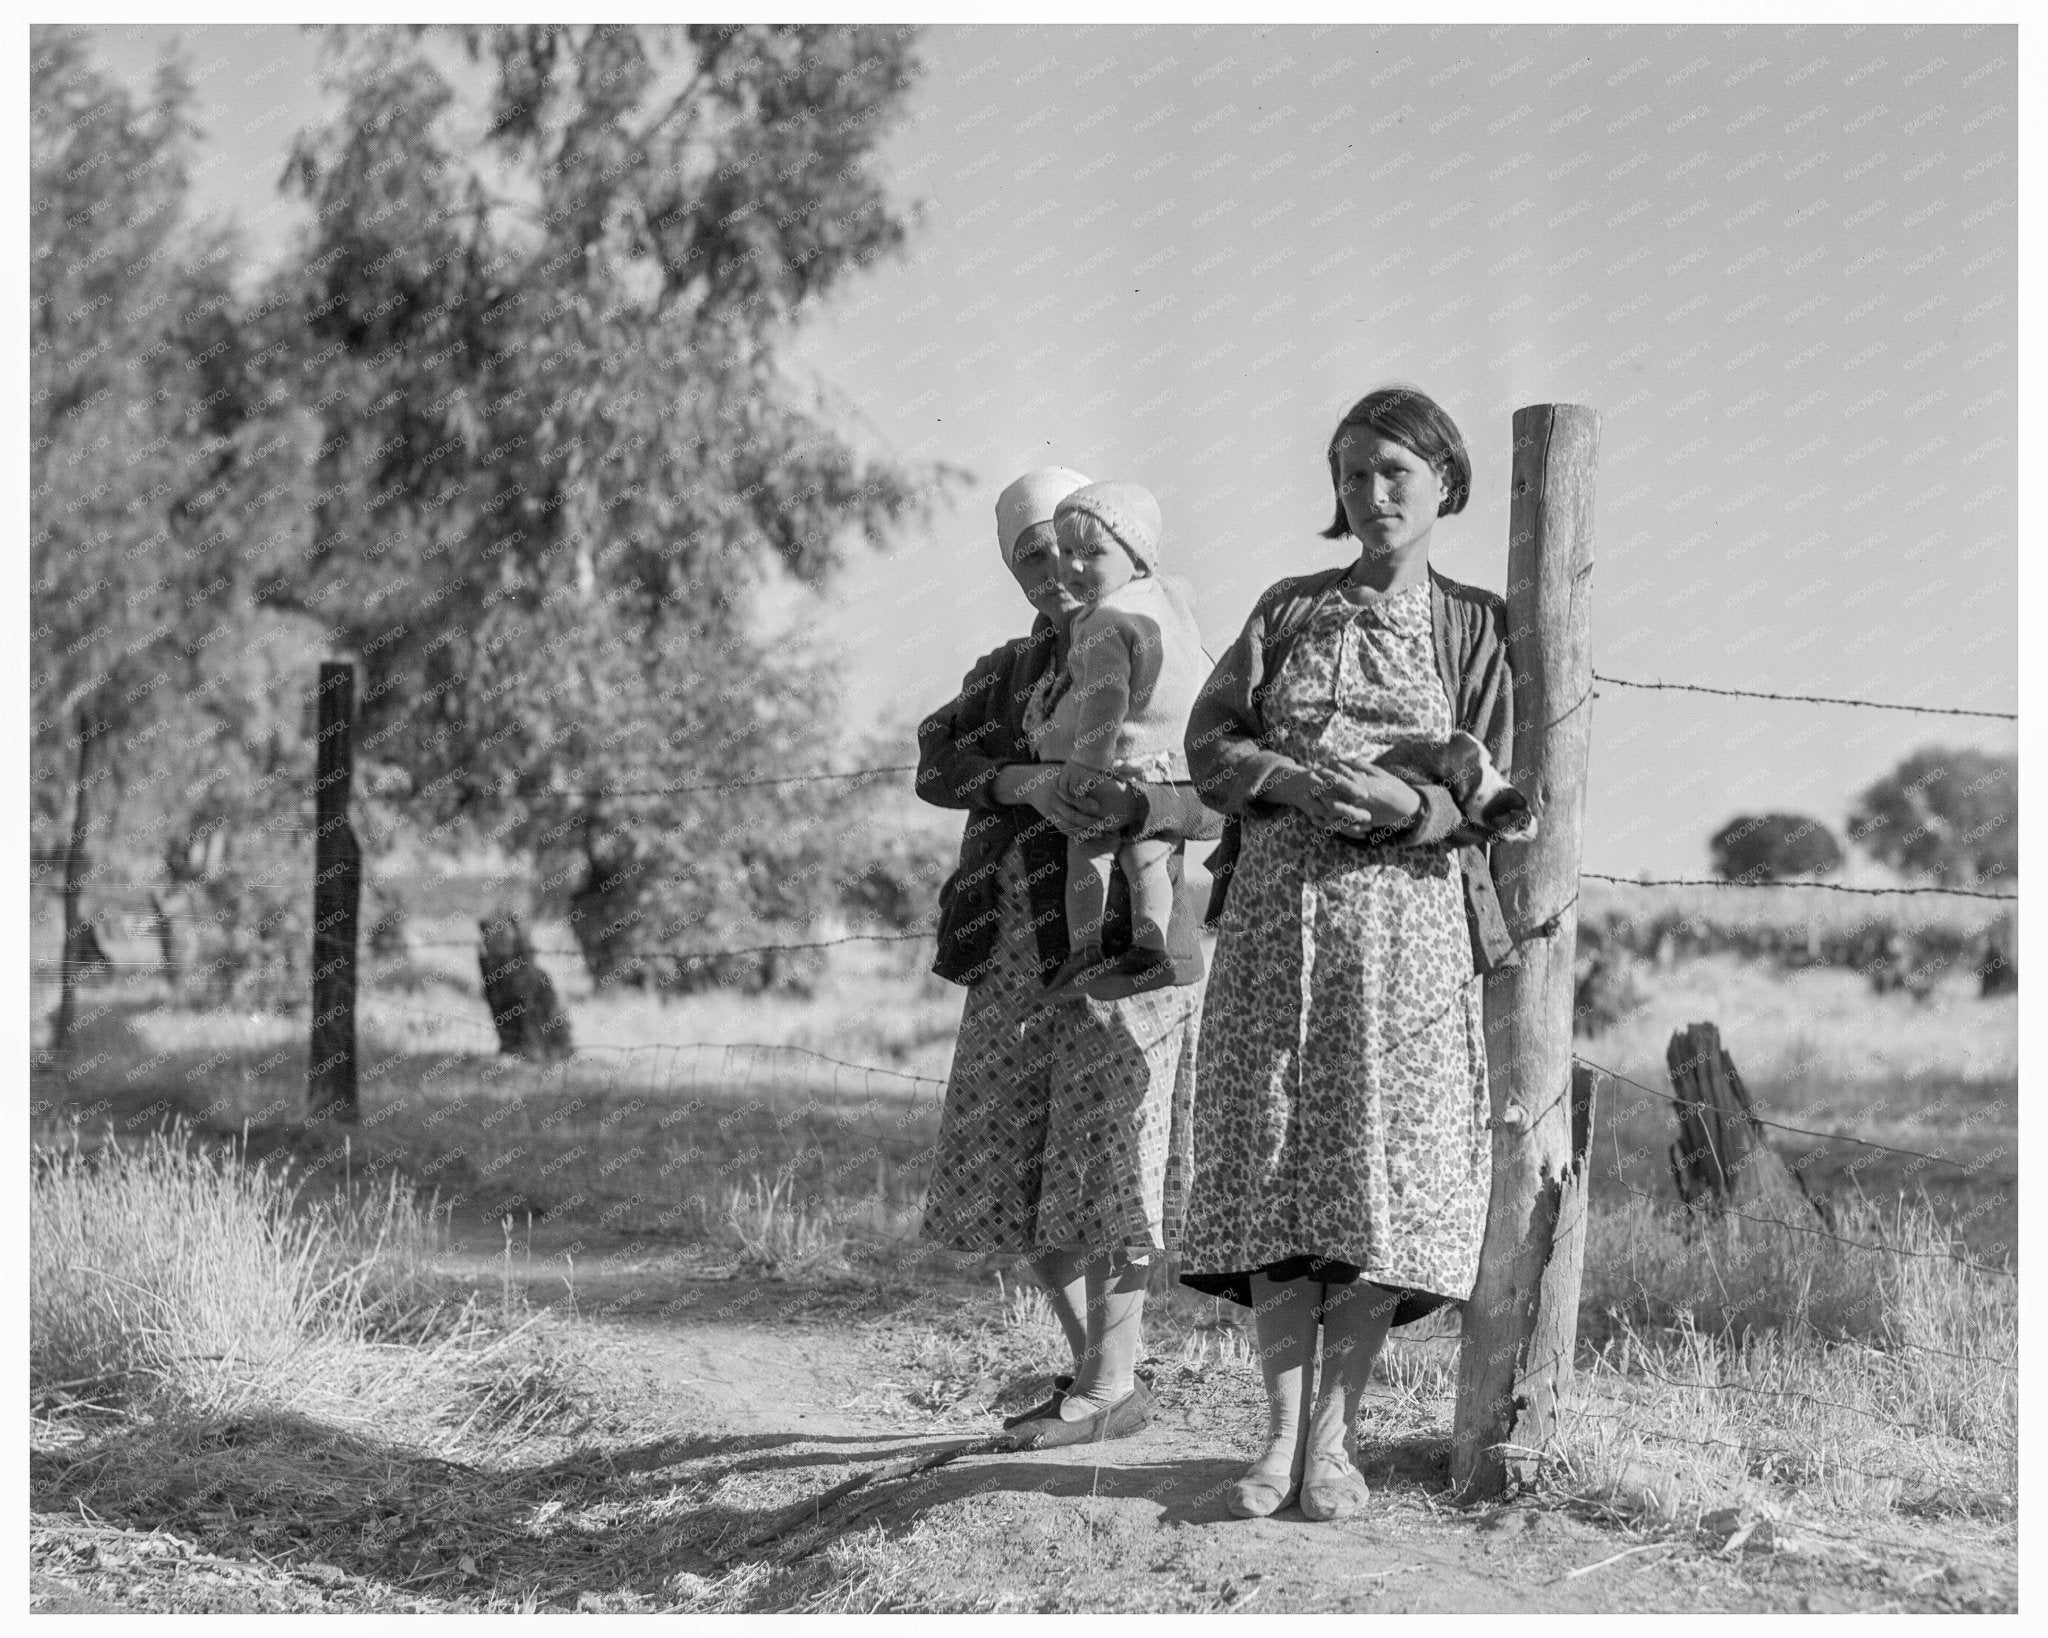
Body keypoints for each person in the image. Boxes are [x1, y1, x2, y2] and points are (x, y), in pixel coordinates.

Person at [1178, 385, 1527, 1520]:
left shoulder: (1474, 624)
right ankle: (1273, 1440)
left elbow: (1501, 790)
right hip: (1276, 924)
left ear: (1444, 485)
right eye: (1352, 474)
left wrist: (1403, 806)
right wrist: (1286, 779)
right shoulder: (1286, 609)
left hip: (1407, 936)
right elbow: (1209, 739)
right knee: (1276, 1172)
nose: (1372, 495)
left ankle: (1334, 1446)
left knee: (1374, 1181)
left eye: (1395, 474)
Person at [916, 465, 1222, 1444]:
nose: (1052, 569)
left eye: (1066, 545)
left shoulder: (1162, 643)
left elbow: (1216, 792)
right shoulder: (1005, 670)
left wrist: (1132, 805)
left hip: (1125, 951)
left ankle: (1103, 1388)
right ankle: (1100, 1380)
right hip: (1013, 945)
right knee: (1015, 1166)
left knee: (1105, 1164)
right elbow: (936, 759)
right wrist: (1018, 782)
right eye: (1029, 554)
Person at [1025, 482, 1207, 1001]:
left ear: (1137, 555)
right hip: (1169, 766)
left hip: (1120, 763)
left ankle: (1084, 954)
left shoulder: (1106, 622)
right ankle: (1149, 951)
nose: (1073, 568)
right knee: (1149, 856)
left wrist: (1086, 765)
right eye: (1067, 554)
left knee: (1089, 850)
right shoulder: (1168, 600)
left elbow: (1106, 702)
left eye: (1094, 554)